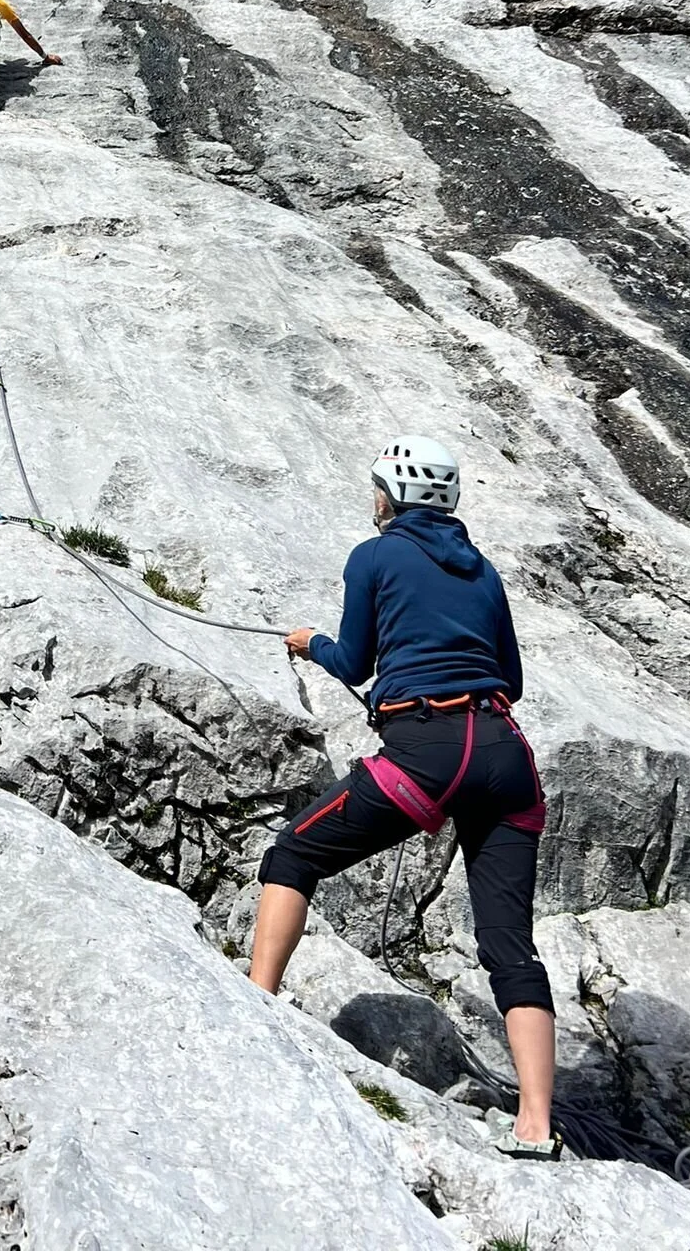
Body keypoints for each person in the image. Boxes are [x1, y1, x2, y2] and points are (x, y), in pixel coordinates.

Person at [248, 437, 559, 1160]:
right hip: (505, 755)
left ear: (391, 496)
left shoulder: (375, 556)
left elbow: (355, 660)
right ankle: (536, 1124)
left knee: (293, 855)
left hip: (425, 750)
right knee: (509, 945)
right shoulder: (483, 571)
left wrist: (312, 644)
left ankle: (255, 1006)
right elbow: (511, 679)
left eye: (376, 487)